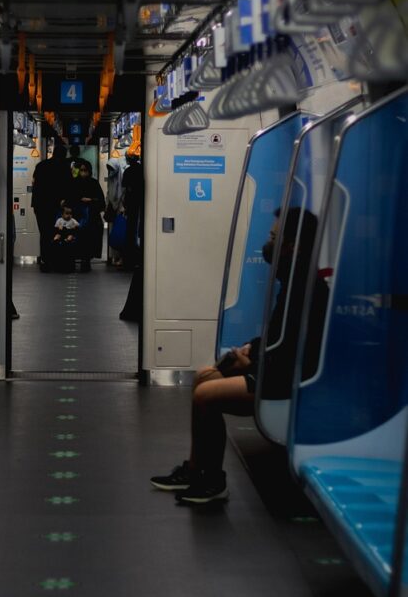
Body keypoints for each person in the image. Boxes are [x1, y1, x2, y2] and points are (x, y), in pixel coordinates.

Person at [150, 207, 328, 504]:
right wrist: (251, 349)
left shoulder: (305, 287)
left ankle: (213, 480)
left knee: (207, 395)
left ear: (293, 244)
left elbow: (292, 351)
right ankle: (196, 469)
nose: (267, 243)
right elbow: (280, 337)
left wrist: (253, 361)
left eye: (273, 237)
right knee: (202, 376)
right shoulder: (293, 281)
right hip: (274, 367)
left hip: (287, 379)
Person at [31, 141, 72, 272]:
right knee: (58, 233)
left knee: (44, 234)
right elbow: (68, 187)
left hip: (41, 206)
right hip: (56, 207)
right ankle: (58, 261)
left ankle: (45, 261)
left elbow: (35, 186)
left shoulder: (41, 166)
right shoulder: (65, 167)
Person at [68, 160, 105, 273]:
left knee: (88, 240)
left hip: (91, 217)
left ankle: (86, 261)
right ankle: (76, 260)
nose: (83, 173)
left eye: (85, 170)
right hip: (77, 217)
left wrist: (91, 200)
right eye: (82, 170)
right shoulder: (74, 183)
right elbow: (70, 199)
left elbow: (101, 202)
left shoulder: (93, 183)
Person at [121, 151, 143, 271]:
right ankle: (138, 259)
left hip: (131, 204)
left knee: (130, 232)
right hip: (142, 203)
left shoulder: (128, 171)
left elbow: (125, 190)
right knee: (140, 231)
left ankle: (128, 261)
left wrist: (124, 205)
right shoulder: (142, 170)